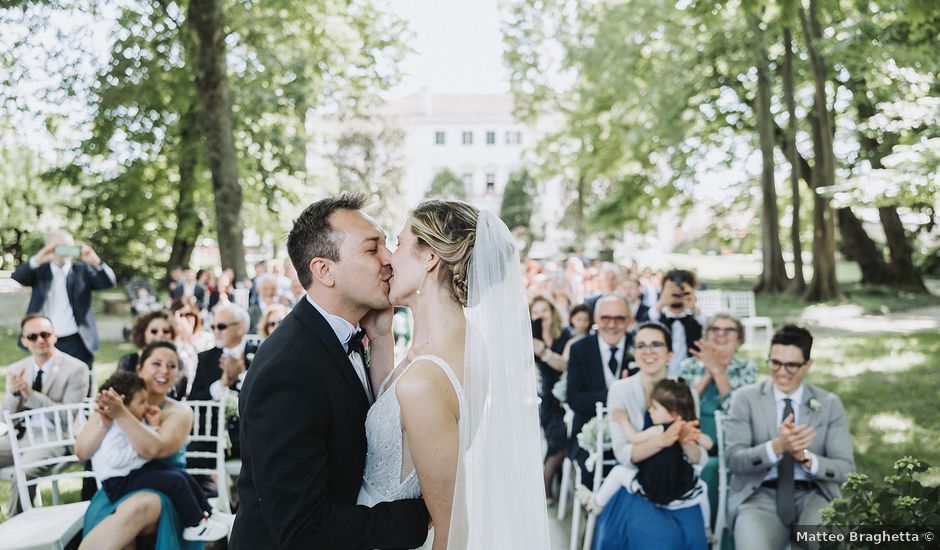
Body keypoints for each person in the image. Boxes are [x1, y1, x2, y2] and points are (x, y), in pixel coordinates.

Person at [230, 195, 430, 549]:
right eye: (372, 250)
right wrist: (420, 517)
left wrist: (381, 339)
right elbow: (303, 529)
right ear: (325, 271)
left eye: (386, 244)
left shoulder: (353, 334)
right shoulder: (289, 371)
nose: (390, 260)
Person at [358, 197, 549, 549]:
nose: (388, 257)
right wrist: (382, 337)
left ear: (430, 257)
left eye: (399, 243)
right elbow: (396, 421)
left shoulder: (426, 380)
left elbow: (451, 525)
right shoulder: (466, 343)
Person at [726, 325, 855, 550]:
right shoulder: (745, 399)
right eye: (775, 363)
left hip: (813, 497)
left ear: (807, 365)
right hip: (758, 497)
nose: (782, 371)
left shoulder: (828, 403)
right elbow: (734, 460)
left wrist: (804, 456)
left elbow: (845, 470)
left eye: (792, 365)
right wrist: (777, 447)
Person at [592, 322, 709, 550]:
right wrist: (662, 441)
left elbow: (698, 457)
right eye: (641, 345)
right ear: (634, 352)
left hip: (679, 483)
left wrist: (687, 441)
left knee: (694, 540)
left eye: (656, 344)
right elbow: (624, 454)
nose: (648, 351)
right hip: (638, 484)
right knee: (662, 542)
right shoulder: (620, 390)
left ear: (669, 353)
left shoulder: (687, 392)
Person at [79, 341, 201, 550]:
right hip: (115, 489)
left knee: (140, 506)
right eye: (156, 363)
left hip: (166, 489)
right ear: (139, 368)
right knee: (126, 531)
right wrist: (104, 423)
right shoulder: (113, 401)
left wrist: (121, 414)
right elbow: (82, 452)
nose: (164, 370)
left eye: (172, 366)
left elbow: (153, 450)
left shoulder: (179, 412)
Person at [80, 371, 228, 542]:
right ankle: (195, 526)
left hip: (132, 474)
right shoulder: (113, 427)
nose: (146, 406)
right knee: (175, 481)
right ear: (123, 405)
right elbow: (115, 459)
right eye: (142, 402)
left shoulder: (133, 420)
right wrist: (140, 453)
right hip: (118, 482)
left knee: (181, 475)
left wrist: (153, 426)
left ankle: (208, 513)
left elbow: (144, 440)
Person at [579, 378, 710, 530]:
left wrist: (623, 421)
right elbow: (709, 444)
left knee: (618, 472)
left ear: (673, 414)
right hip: (679, 488)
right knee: (702, 489)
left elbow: (633, 438)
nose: (649, 410)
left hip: (652, 486)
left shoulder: (659, 429)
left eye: (654, 407)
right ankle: (706, 528)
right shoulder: (679, 429)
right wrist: (694, 435)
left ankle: (597, 503)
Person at [1, 314, 90, 514]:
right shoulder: (17, 369)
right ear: (24, 341)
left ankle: (18, 534)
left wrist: (31, 394)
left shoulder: (76, 369)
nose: (40, 340)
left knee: (22, 475)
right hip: (19, 435)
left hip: (54, 438)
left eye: (45, 334)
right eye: (32, 337)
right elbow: (5, 415)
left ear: (54, 336)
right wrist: (16, 394)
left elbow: (66, 418)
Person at [677, 312, 757, 528]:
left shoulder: (746, 369)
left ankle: (709, 530)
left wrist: (719, 372)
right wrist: (707, 372)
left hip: (730, 442)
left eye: (728, 330)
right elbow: (682, 406)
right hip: (692, 440)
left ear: (739, 339)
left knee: (712, 467)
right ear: (706, 335)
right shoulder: (688, 367)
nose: (721, 334)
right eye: (715, 329)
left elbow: (739, 411)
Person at [11, 230, 116, 368]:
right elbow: (18, 277)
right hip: (45, 339)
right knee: (46, 383)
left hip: (77, 339)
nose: (63, 251)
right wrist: (38, 259)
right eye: (58, 247)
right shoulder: (40, 270)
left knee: (81, 382)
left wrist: (95, 261)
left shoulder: (82, 270)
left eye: (67, 246)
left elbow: (108, 282)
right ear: (48, 247)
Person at [567, 294, 636, 487]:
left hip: (633, 433)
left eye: (619, 319)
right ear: (596, 319)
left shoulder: (639, 347)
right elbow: (574, 399)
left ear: (629, 320)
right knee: (592, 473)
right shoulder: (580, 349)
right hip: (589, 432)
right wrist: (616, 394)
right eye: (606, 318)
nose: (612, 325)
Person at [530, 294, 571, 503]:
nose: (540, 316)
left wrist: (544, 352)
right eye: (535, 312)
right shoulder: (529, 335)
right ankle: (546, 486)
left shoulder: (564, 335)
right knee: (555, 438)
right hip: (545, 397)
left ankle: (547, 484)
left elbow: (565, 364)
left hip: (566, 395)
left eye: (544, 310)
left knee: (561, 439)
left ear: (552, 312)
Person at [649, 269, 704, 376]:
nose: (677, 292)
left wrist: (693, 306)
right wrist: (661, 302)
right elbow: (642, 326)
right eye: (671, 288)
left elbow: (709, 330)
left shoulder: (697, 320)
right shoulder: (656, 318)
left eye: (682, 288)